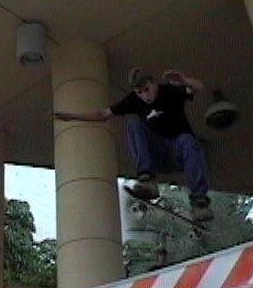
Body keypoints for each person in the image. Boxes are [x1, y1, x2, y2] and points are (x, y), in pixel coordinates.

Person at [54, 67, 213, 222]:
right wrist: (73, 117)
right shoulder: (134, 100)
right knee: (133, 120)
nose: (145, 96)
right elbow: (103, 114)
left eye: (147, 89)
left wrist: (185, 80)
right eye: (140, 92)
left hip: (178, 152)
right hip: (157, 155)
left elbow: (200, 87)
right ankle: (147, 180)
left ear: (153, 83)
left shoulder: (170, 91)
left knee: (188, 141)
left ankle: (199, 203)